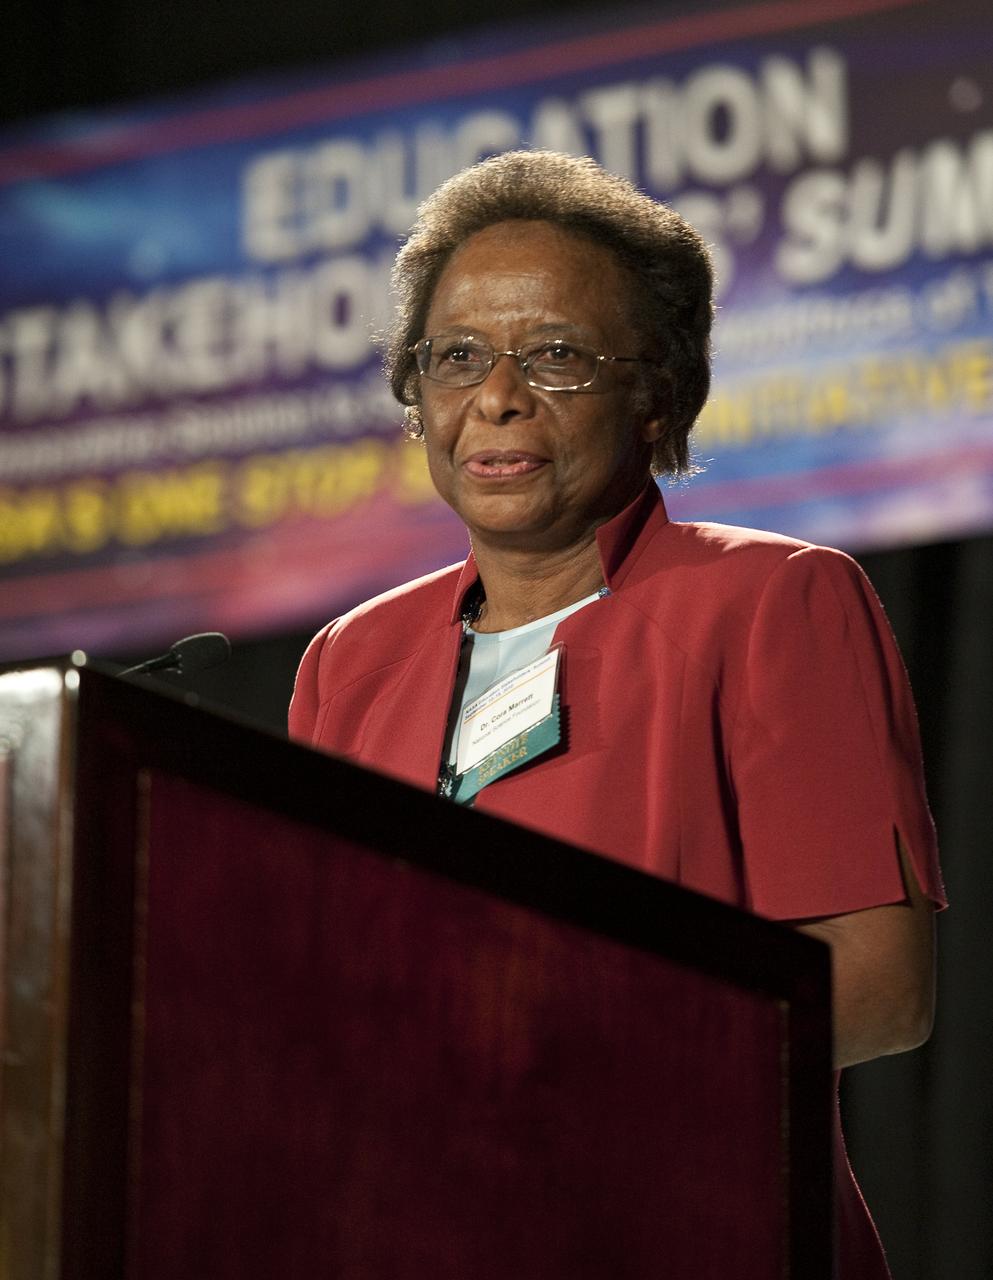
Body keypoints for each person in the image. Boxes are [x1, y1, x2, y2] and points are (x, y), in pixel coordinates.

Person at [289, 150, 945, 1277]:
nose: (496, 394)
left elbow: (878, 983)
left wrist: (546, 1049)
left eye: (555, 354)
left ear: (659, 391)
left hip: (684, 1225)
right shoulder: (350, 662)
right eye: (456, 357)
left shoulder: (774, 602)